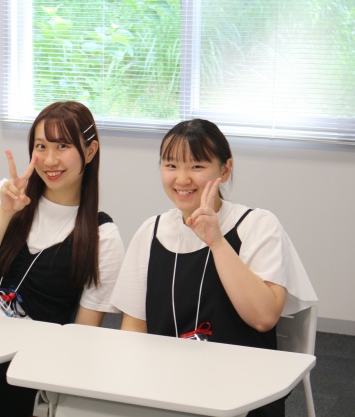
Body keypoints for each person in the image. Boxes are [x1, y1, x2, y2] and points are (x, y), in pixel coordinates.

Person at [110, 119, 317, 417]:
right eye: (171, 165)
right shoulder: (150, 231)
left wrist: (217, 243)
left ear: (225, 170)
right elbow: (133, 329)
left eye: (197, 166)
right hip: (166, 388)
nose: (182, 179)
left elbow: (264, 318)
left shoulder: (257, 225)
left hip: (243, 391)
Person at [0, 101, 125, 417]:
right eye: (41, 146)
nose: (50, 160)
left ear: (90, 152)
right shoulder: (0, 195)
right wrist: (5, 213)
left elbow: (82, 340)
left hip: (31, 371)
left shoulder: (102, 237)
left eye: (63, 146)